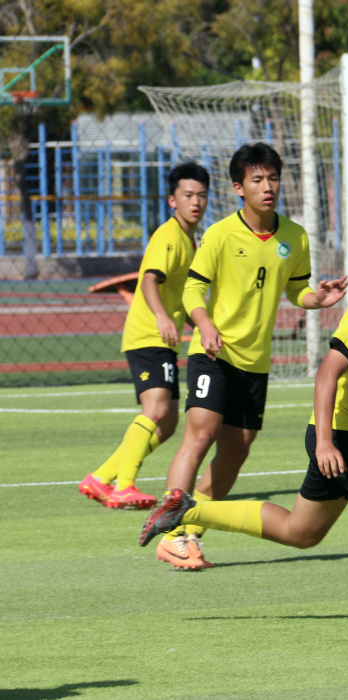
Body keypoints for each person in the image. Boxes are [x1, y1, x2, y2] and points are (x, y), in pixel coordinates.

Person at [138, 212, 348, 617]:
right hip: (344, 433)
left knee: (302, 531)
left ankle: (187, 510)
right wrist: (327, 442)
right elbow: (327, 372)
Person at [154, 142, 348, 570]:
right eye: (257, 180)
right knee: (200, 436)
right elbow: (191, 289)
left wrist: (317, 297)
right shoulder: (221, 234)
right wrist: (204, 325)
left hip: (255, 364)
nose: (268, 187)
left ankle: (191, 530)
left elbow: (296, 288)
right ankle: (170, 534)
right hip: (214, 354)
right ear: (239, 188)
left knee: (235, 452)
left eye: (273, 178)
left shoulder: (294, 237)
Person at [79, 162, 210, 510]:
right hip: (148, 335)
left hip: (160, 337)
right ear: (172, 200)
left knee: (167, 423)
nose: (195, 202)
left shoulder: (189, 241)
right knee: (155, 409)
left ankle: (100, 478)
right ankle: (124, 485)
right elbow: (149, 280)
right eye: (187, 195)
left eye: (201, 195)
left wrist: (202, 328)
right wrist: (163, 318)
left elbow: (181, 295)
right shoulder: (169, 236)